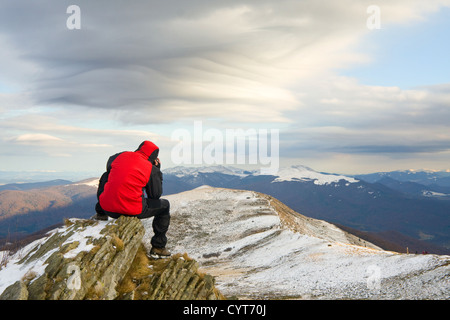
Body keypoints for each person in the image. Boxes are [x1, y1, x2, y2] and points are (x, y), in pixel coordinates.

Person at [94, 140, 171, 257]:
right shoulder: (151, 168)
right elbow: (155, 195)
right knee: (165, 206)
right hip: (133, 210)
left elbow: (109, 165)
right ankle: (158, 247)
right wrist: (157, 171)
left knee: (106, 175)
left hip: (107, 208)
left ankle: (100, 213)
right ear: (154, 157)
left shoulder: (119, 156)